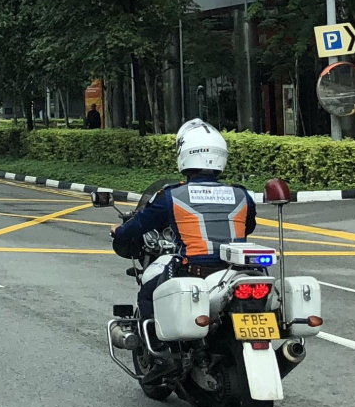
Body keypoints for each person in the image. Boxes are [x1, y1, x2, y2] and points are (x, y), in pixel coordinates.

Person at [110, 119, 257, 375]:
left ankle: (159, 354)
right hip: (239, 272)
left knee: (147, 294)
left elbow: (140, 224)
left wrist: (118, 232)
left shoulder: (172, 196)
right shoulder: (241, 194)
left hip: (196, 270)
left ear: (184, 155)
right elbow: (249, 226)